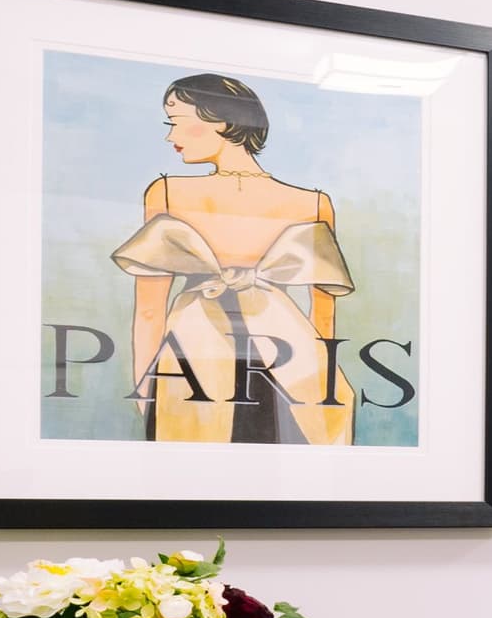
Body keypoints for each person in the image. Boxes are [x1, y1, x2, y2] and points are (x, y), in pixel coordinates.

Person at [111, 73, 357, 444]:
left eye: (176, 122)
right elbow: (323, 314)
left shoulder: (167, 192)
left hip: (193, 363)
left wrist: (145, 385)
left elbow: (149, 308)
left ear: (222, 122)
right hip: (291, 364)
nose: (169, 137)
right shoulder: (313, 203)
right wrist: (323, 388)